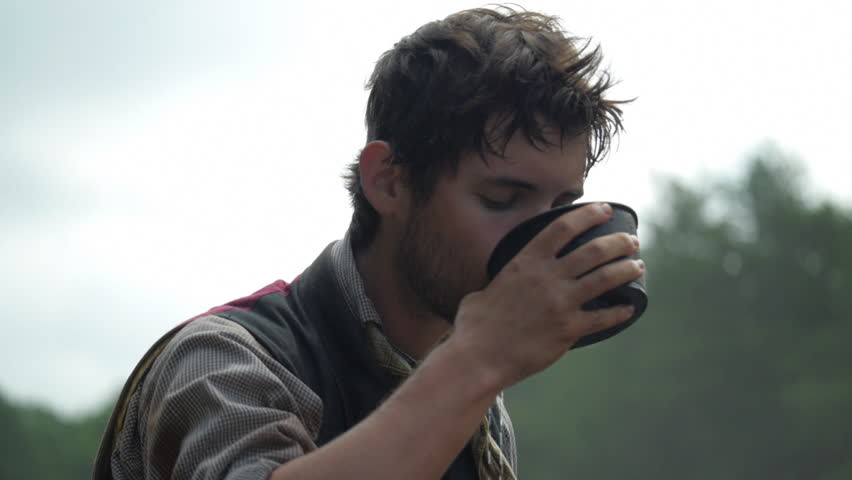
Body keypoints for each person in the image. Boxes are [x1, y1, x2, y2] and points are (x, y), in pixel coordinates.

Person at [93, 5, 644, 480]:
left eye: (560, 207)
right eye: (501, 200)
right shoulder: (223, 360)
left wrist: (476, 368)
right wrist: (482, 359)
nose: (537, 242)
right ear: (389, 181)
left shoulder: (476, 398)